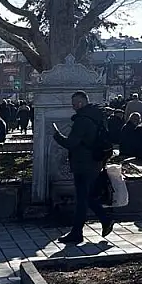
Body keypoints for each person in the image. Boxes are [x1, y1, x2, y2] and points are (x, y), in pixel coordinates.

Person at [52, 91, 114, 246]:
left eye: (75, 104)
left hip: (83, 164)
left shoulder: (82, 120)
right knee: (88, 196)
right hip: (94, 162)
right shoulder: (96, 116)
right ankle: (105, 220)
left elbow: (71, 143)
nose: (73, 107)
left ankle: (77, 232)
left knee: (82, 199)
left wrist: (57, 135)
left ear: (81, 102)